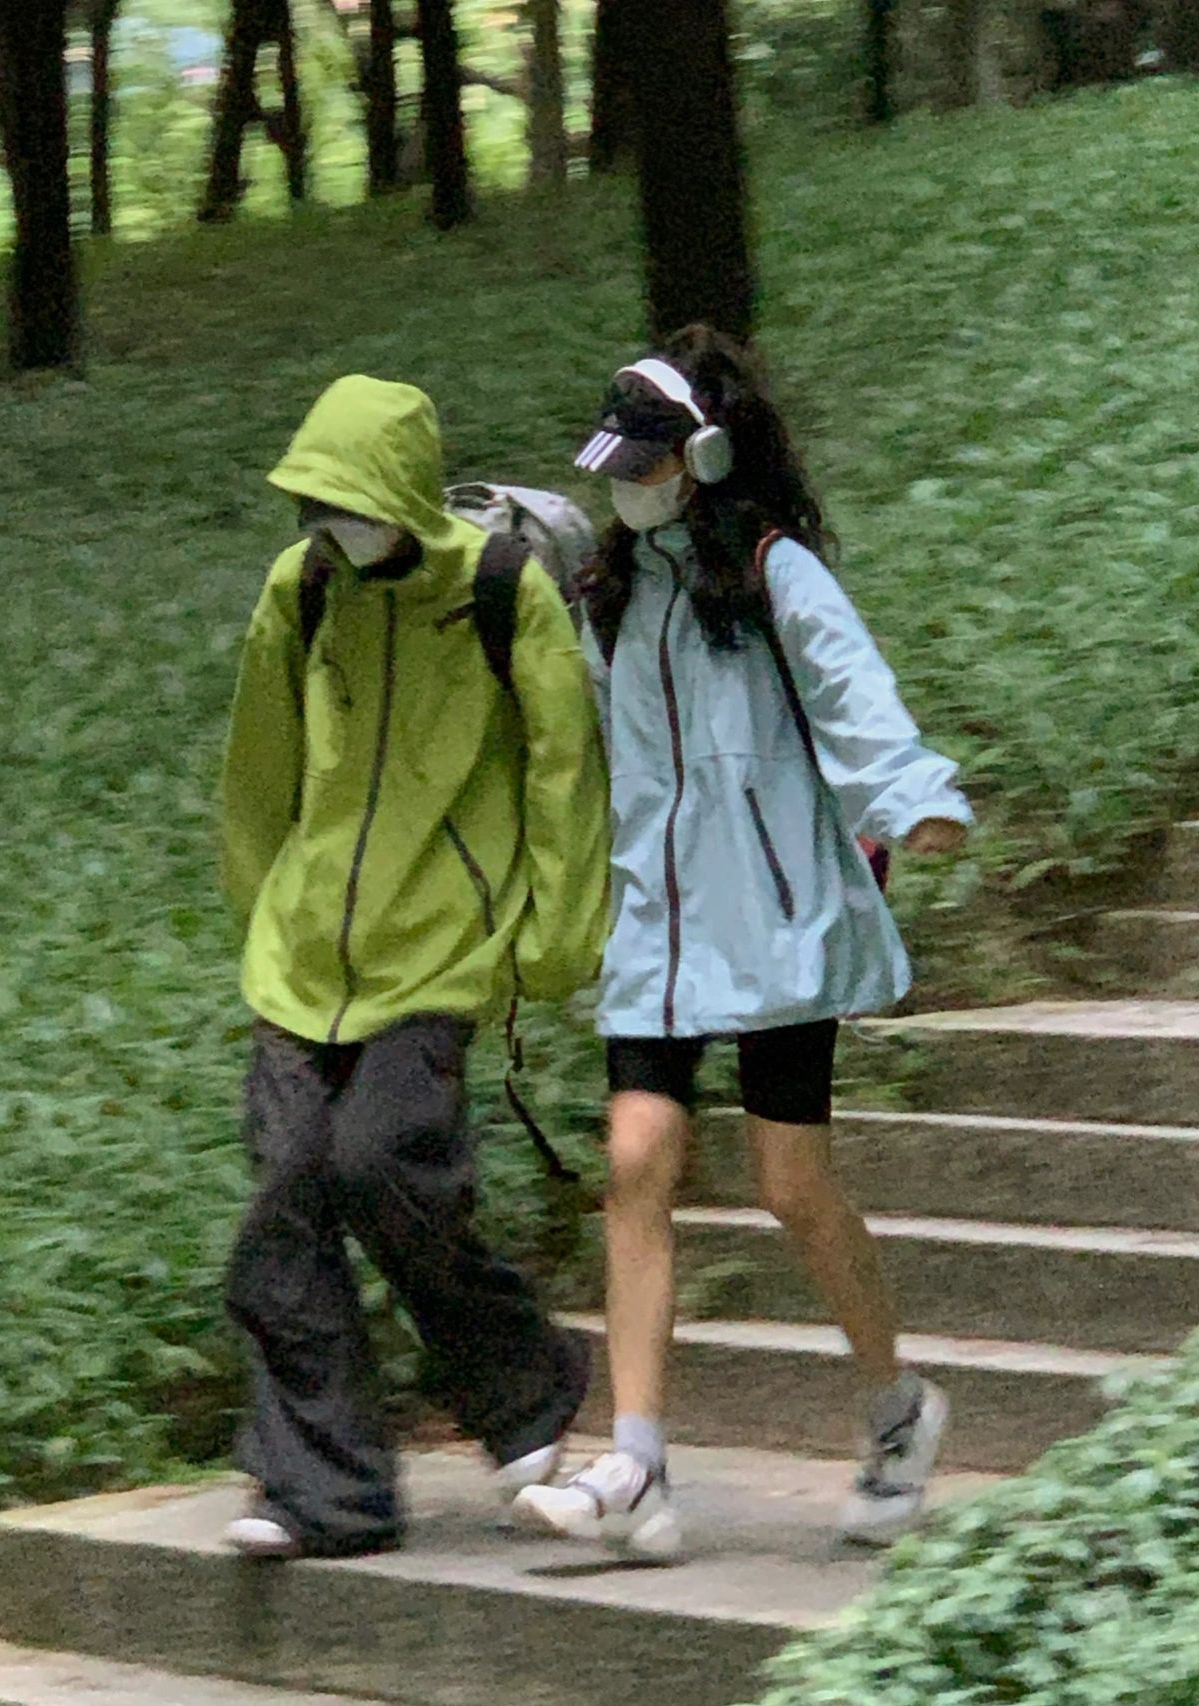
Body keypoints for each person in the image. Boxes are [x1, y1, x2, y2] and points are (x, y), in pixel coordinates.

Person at [512, 326, 972, 1560]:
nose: (627, 485)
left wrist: (911, 796)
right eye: (616, 467)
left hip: (773, 925)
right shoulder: (610, 594)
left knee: (791, 1186)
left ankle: (895, 1409)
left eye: (646, 463)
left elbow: (852, 691)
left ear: (705, 455)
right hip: (657, 928)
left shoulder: (774, 572)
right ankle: (636, 1465)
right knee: (635, 1160)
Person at [219, 375, 610, 1560]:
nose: (332, 523)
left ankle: (523, 1387)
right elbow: (258, 767)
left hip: (441, 945)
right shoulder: (300, 588)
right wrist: (265, 911)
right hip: (301, 956)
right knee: (285, 1203)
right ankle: (324, 1492)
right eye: (317, 502)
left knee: (383, 1163)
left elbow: (563, 770)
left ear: (399, 494)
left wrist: (552, 940)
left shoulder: (498, 588)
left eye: (350, 500)